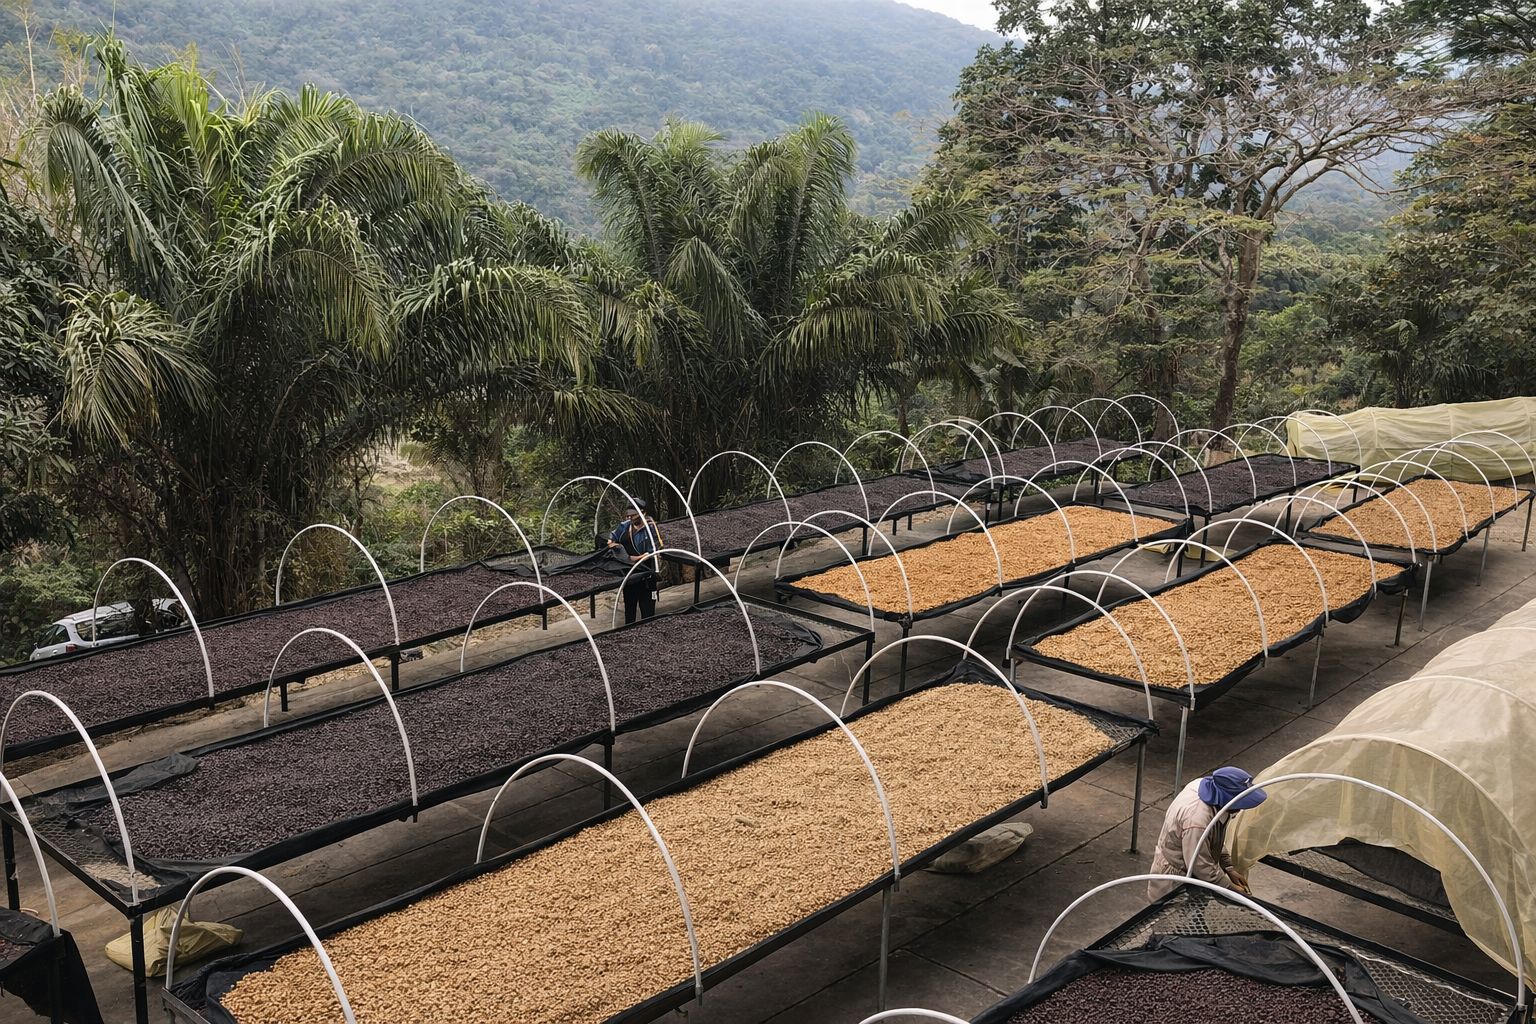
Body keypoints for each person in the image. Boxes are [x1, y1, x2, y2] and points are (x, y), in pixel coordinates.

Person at [1147, 765, 1267, 900]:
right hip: (1176, 879)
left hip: (1192, 865)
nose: (1240, 809)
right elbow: (1200, 866)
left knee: (1193, 912)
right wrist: (1230, 889)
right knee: (1170, 915)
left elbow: (1212, 838)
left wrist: (1228, 867)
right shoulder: (1197, 822)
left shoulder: (1204, 788)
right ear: (1226, 799)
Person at [607, 499, 664, 624]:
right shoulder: (625, 526)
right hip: (630, 575)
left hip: (647, 574)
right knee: (630, 610)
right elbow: (611, 540)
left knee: (648, 611)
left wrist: (634, 558)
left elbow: (652, 552)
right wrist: (619, 549)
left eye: (633, 515)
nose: (630, 518)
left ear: (642, 513)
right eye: (628, 515)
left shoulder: (651, 528)